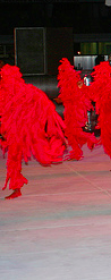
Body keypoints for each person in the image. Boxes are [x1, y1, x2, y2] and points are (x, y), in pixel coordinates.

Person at [0, 64, 66, 199]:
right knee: (13, 159)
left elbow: (45, 106)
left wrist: (51, 126)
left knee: (45, 157)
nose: (4, 79)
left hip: (31, 129)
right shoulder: (2, 92)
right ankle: (16, 187)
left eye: (5, 77)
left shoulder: (28, 91)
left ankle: (57, 147)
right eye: (3, 77)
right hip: (14, 131)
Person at [57, 58, 95, 161]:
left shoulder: (75, 81)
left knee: (74, 131)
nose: (60, 72)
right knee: (69, 132)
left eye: (62, 70)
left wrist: (63, 98)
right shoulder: (66, 83)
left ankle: (89, 137)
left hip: (75, 110)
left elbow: (79, 95)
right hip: (69, 110)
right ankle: (76, 153)